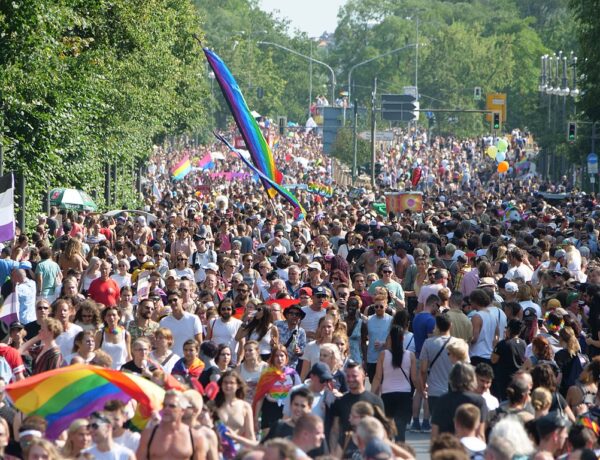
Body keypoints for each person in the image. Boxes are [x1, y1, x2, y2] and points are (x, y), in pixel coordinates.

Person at [371, 324, 416, 442]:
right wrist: (422, 391)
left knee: (387, 432)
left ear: (390, 338)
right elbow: (414, 379)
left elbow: (377, 378)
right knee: (400, 432)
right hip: (405, 396)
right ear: (402, 339)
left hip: (387, 395)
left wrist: (371, 395)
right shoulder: (410, 355)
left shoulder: (383, 355)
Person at [329, 361, 384, 453]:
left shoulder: (375, 401)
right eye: (348, 376)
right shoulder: (340, 402)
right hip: (346, 451)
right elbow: (335, 430)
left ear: (363, 376)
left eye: (354, 376)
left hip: (370, 451)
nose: (350, 379)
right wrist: (333, 453)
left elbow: (383, 429)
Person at [136, 389, 206, 460]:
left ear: (182, 410)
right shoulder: (148, 434)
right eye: (164, 405)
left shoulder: (195, 437)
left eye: (172, 406)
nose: (166, 409)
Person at [253, 344, 301, 437]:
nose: (279, 359)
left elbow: (300, 393)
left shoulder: (292, 374)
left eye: (282, 355)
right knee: (269, 439)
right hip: (270, 410)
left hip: (287, 410)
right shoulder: (267, 374)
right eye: (276, 356)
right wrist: (255, 418)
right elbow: (260, 396)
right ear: (272, 358)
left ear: (286, 357)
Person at [430, 362, 488, 438]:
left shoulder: (442, 400)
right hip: (469, 447)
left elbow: (434, 432)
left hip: (446, 445)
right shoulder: (479, 401)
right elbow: (480, 434)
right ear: (472, 379)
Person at [418, 313, 455, 433]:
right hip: (453, 391)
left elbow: (423, 369)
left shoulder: (428, 343)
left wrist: (423, 385)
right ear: (451, 325)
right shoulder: (459, 343)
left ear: (437, 327)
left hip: (434, 391)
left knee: (437, 424)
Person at [213, 370, 255, 447]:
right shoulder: (213, 405)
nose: (228, 385)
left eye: (231, 383)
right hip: (216, 448)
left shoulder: (245, 406)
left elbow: (250, 436)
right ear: (221, 384)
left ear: (238, 386)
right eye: (225, 382)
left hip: (236, 448)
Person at [160, 289, 202, 357]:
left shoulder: (194, 319)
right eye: (170, 301)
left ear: (181, 300)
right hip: (172, 362)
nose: (173, 303)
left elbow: (199, 343)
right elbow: (163, 344)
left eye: (175, 300)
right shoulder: (163, 322)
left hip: (191, 360)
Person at [491, 318, 526, 400]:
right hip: (518, 377)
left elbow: (493, 359)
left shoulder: (503, 344)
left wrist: (495, 346)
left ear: (509, 329)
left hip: (504, 379)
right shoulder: (523, 343)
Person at [365, 294, 393, 382]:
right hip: (371, 358)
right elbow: (364, 338)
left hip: (386, 358)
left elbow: (394, 339)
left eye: (381, 306)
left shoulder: (391, 320)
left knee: (384, 386)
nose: (378, 309)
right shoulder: (369, 320)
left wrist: (383, 344)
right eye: (376, 306)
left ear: (386, 306)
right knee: (373, 385)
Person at [207, 299, 242, 365]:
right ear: (220, 310)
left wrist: (239, 361)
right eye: (223, 309)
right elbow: (207, 340)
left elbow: (242, 344)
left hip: (231, 361)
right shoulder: (212, 322)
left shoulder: (239, 324)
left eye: (228, 309)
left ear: (232, 310)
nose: (226, 311)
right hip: (214, 360)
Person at [96, 306, 131, 370]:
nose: (111, 317)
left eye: (114, 315)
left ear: (118, 317)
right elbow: (96, 354)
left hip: (121, 371)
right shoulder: (100, 334)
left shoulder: (126, 334)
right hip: (105, 370)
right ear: (105, 318)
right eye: (108, 315)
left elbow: (128, 356)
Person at [274, 304, 306, 370]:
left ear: (300, 318)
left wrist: (299, 351)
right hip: (275, 364)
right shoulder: (277, 324)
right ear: (287, 315)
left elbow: (303, 350)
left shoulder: (301, 332)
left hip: (290, 367)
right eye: (291, 313)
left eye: (297, 314)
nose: (294, 316)